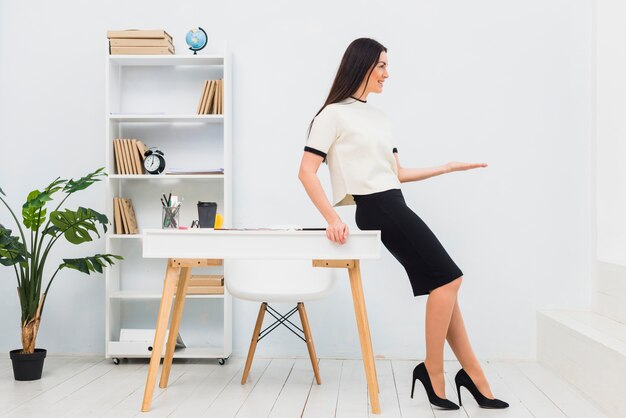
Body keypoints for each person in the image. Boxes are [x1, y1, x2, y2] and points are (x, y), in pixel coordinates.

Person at [298, 38, 509, 410]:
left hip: (393, 200)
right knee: (449, 280)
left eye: (386, 66)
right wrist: (332, 217)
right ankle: (434, 371)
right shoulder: (331, 115)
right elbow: (306, 172)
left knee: (445, 286)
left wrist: (445, 167)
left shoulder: (379, 118)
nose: (386, 73)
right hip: (375, 206)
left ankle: (474, 377)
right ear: (361, 65)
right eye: (381, 65)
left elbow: (396, 172)